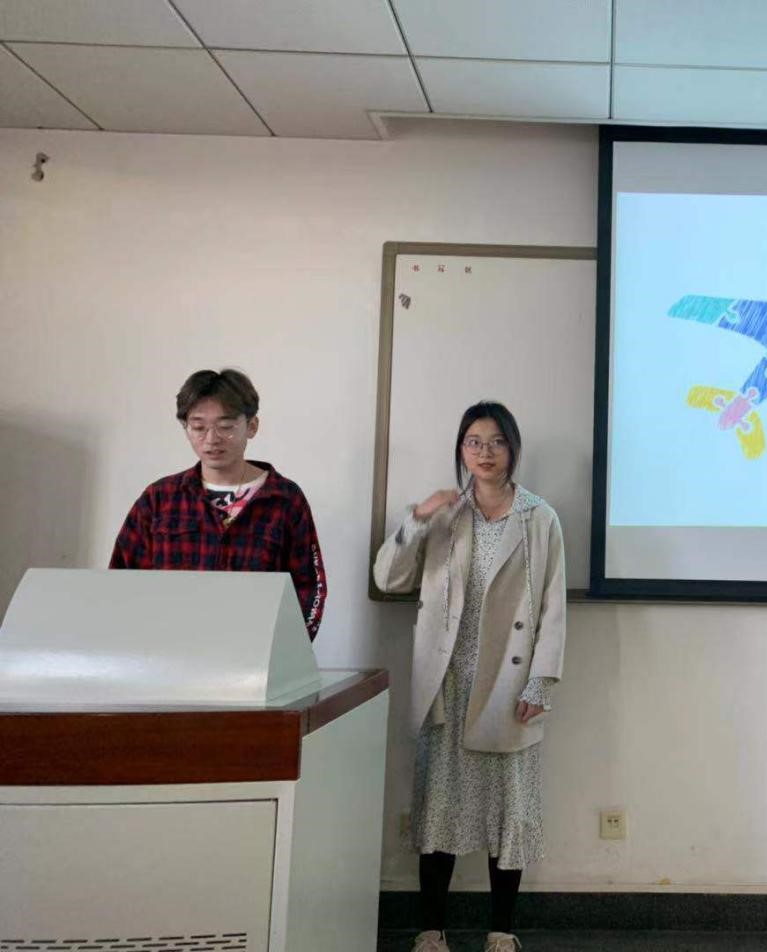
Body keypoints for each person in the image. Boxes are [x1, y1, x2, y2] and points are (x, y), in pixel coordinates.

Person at [374, 401, 566, 952]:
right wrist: (416, 518)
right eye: (474, 442)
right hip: (448, 682)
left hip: (509, 683)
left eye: (496, 442)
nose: (485, 452)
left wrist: (541, 682)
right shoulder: (445, 514)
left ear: (513, 449)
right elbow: (388, 579)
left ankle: (501, 930)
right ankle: (431, 929)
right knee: (438, 810)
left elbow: (553, 608)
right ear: (461, 449)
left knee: (510, 811)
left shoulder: (538, 518)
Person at [110, 368, 327, 639]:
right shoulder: (159, 499)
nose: (211, 439)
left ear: (252, 426)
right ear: (186, 428)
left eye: (226, 427)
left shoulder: (284, 499)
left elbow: (310, 588)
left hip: (254, 652)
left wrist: (287, 648)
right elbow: (121, 582)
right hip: (168, 649)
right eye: (198, 427)